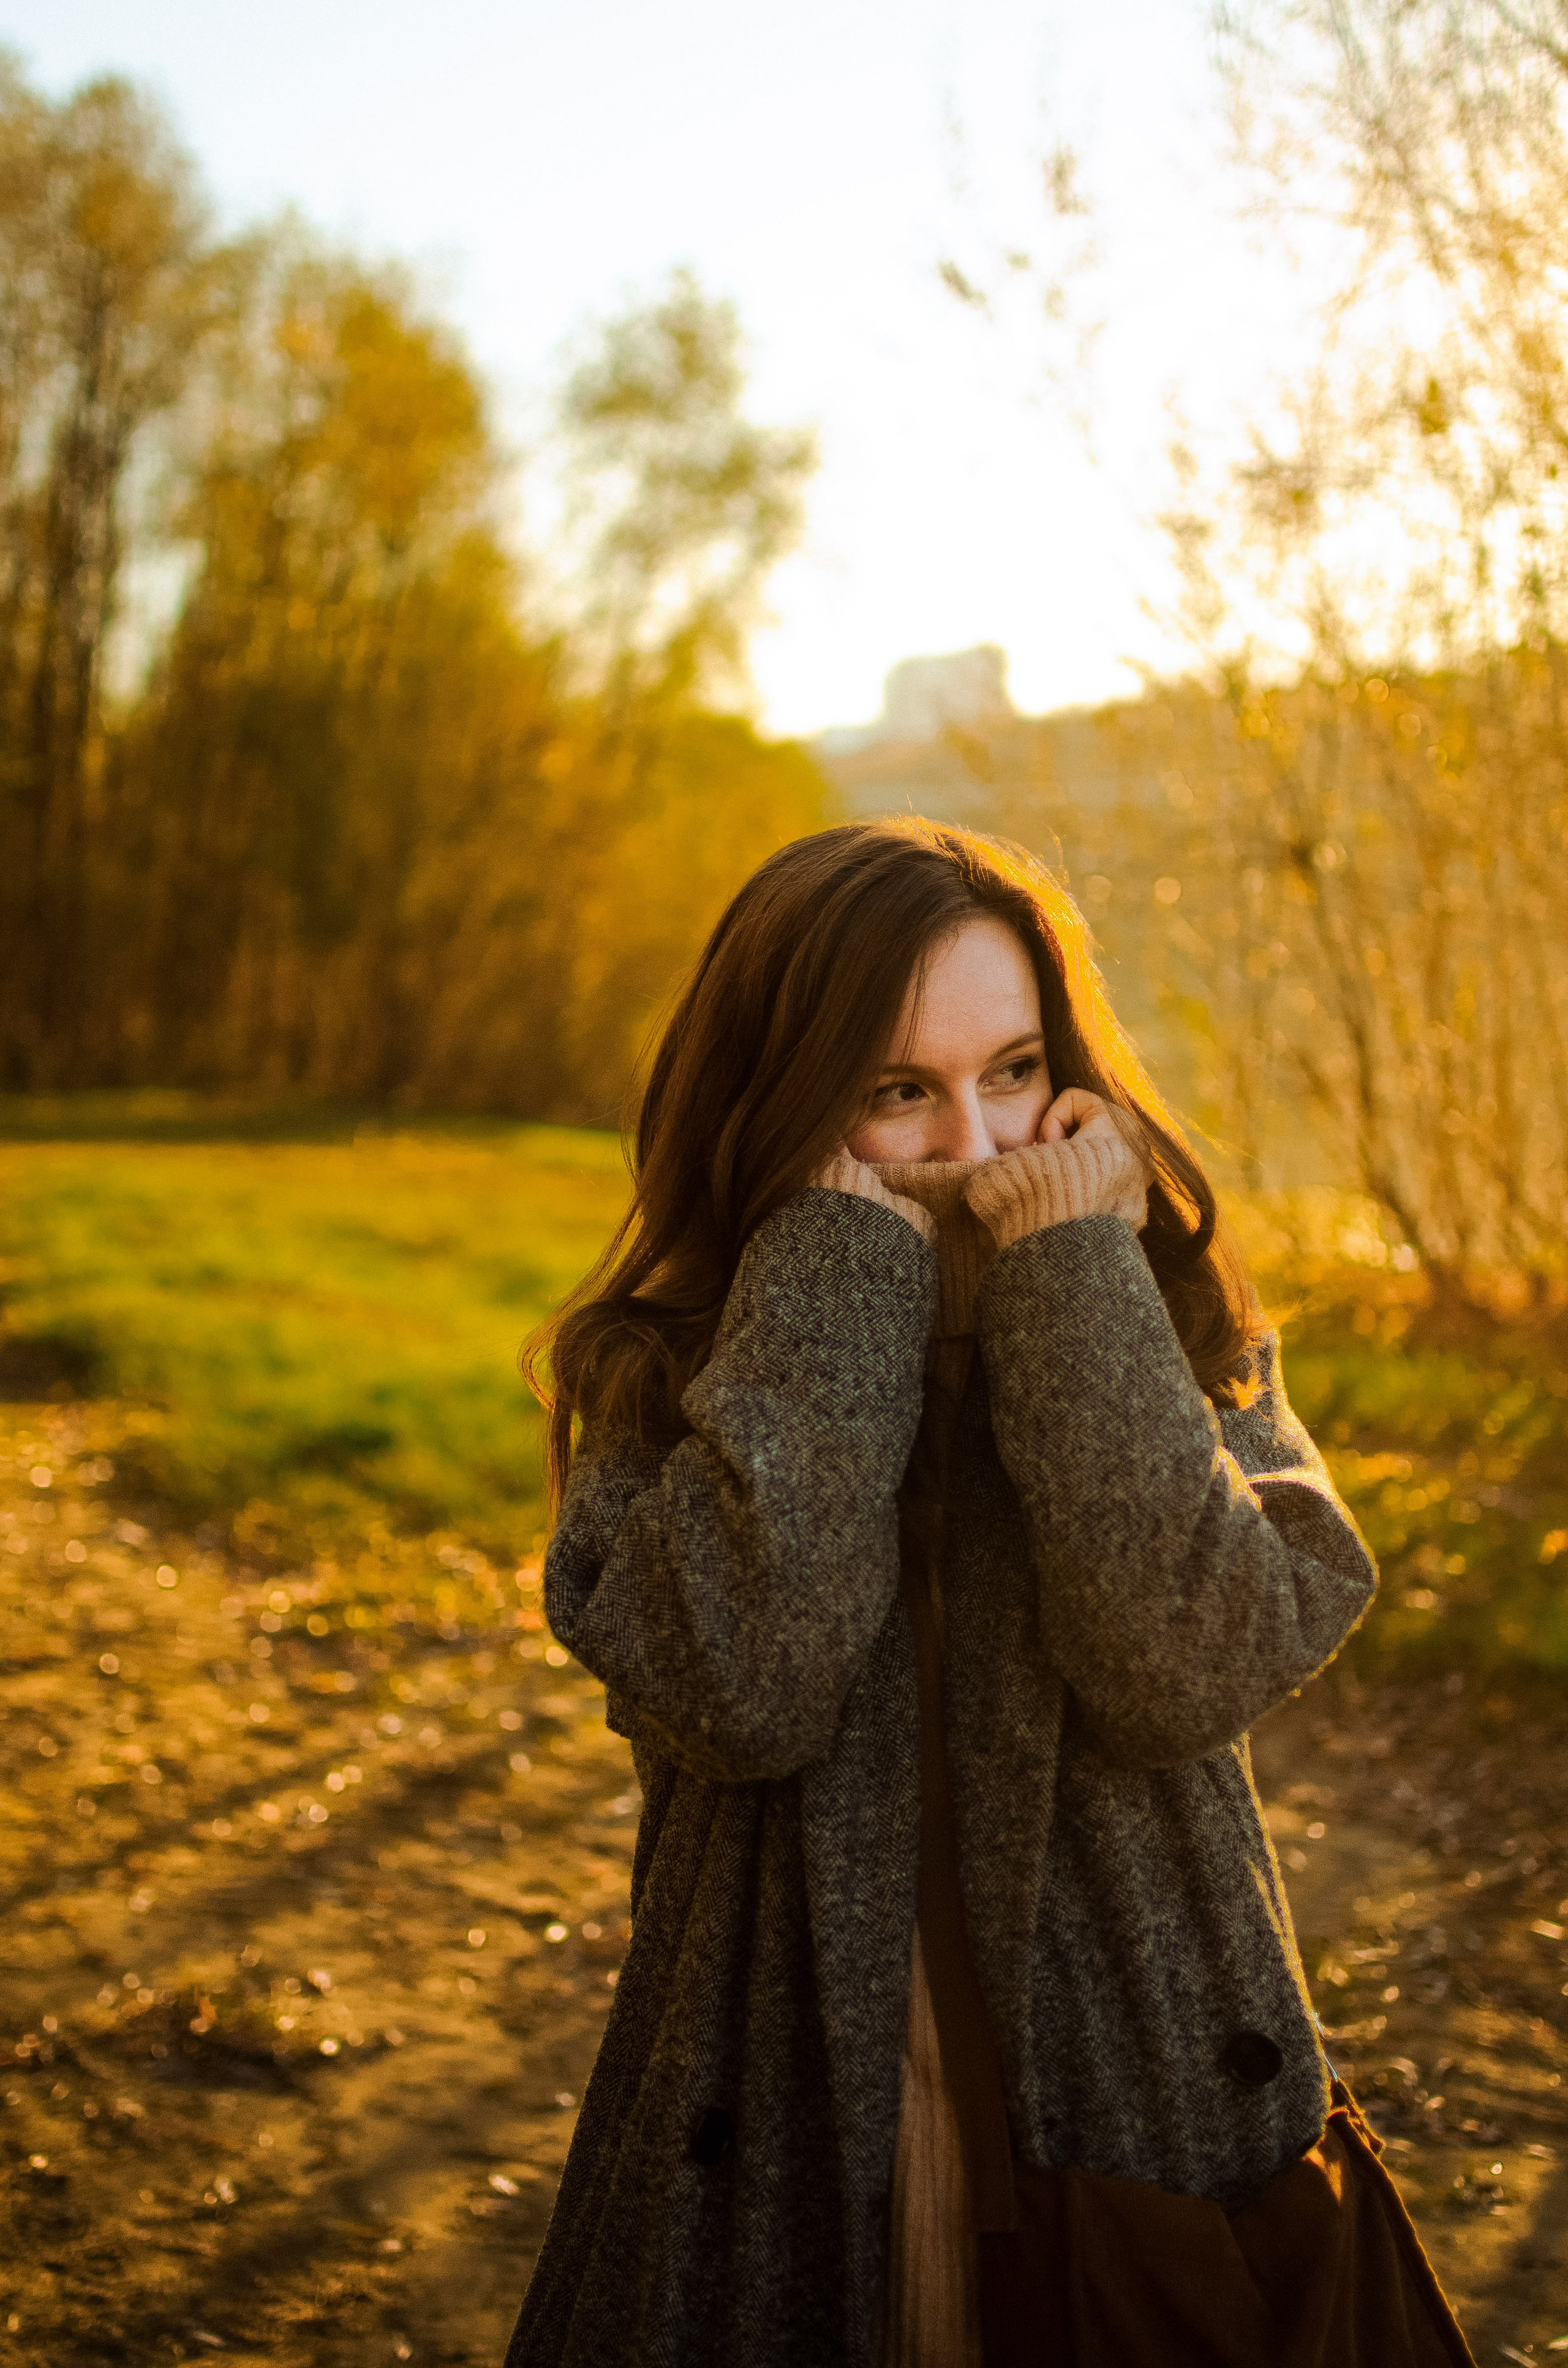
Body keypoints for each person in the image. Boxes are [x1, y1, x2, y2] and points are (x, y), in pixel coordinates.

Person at [507, 820, 1474, 2368]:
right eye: (898, 1093)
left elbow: (1187, 1665)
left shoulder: (1162, 1308)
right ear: (786, 1108)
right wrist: (836, 1282)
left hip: (1142, 2118)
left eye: (1011, 1071)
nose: (974, 1145)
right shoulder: (671, 1363)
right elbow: (738, 1686)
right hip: (778, 2113)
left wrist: (1071, 1282)